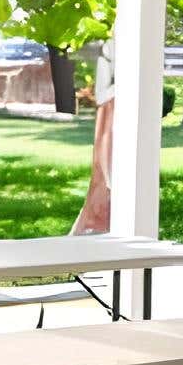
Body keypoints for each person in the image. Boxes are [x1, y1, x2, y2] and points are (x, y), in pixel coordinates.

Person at [72, 42, 114, 234]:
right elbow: (101, 96)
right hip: (110, 118)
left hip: (123, 116)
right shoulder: (106, 59)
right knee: (106, 172)